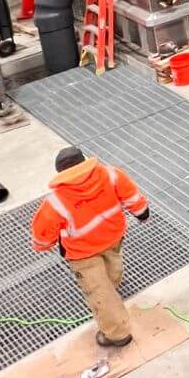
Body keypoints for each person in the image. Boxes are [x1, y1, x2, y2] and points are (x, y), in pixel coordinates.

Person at [31, 146, 151, 347]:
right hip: (113, 236)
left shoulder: (56, 201)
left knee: (98, 291)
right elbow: (131, 196)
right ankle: (112, 285)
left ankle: (117, 334)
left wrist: (45, 245)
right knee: (113, 265)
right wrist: (142, 212)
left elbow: (42, 237)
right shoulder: (111, 175)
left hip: (83, 253)